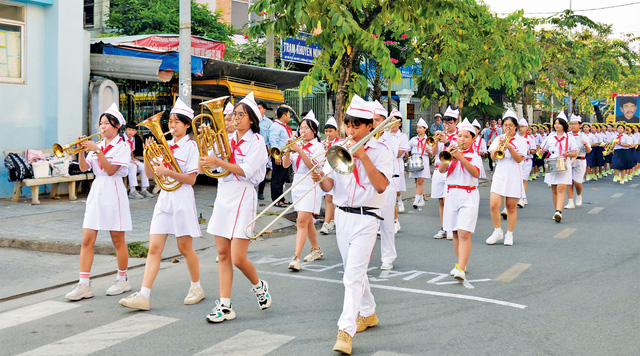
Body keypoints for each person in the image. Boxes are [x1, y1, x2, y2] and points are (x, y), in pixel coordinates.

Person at [311, 94, 393, 355]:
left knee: (352, 276)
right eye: (348, 125)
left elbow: (381, 186)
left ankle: (346, 330)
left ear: (370, 126)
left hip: (367, 217)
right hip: (342, 216)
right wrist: (319, 176)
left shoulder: (382, 151)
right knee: (353, 271)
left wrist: (362, 157)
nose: (350, 130)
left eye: (356, 125)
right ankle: (368, 312)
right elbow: (330, 185)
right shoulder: (338, 148)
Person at [119, 98, 204, 311]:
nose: (172, 126)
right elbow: (149, 174)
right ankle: (144, 295)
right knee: (154, 248)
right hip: (165, 198)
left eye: (177, 122)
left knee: (185, 247)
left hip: (183, 198)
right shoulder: (165, 145)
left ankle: (197, 287)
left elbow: (192, 179)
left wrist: (168, 172)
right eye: (171, 121)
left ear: (186, 125)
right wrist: (148, 155)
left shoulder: (191, 146)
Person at [200, 92, 271, 323]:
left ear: (251, 119)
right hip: (224, 195)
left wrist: (218, 161)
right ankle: (225, 305)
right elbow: (205, 169)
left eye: (241, 115)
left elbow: (246, 171)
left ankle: (259, 286)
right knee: (222, 254)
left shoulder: (257, 142)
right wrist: (205, 144)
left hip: (243, 195)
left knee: (238, 258)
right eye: (234, 115)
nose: (235, 119)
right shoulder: (226, 138)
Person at [65, 103, 132, 301]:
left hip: (114, 192)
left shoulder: (123, 146)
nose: (102, 127)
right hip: (97, 191)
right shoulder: (98, 144)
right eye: (101, 123)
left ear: (116, 126)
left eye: (106, 124)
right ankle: (84, 284)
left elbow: (111, 171)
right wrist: (80, 151)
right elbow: (85, 168)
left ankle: (122, 279)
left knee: (117, 239)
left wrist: (98, 151)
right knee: (87, 239)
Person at [438, 119, 481, 281]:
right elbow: (442, 170)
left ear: (472, 139)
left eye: (466, 137)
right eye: (459, 136)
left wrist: (461, 158)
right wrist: (447, 156)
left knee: (464, 232)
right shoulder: (450, 152)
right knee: (455, 231)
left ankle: (461, 268)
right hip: (451, 194)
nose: (462, 139)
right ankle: (460, 263)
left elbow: (475, 173)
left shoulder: (474, 156)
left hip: (468, 194)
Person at [284, 111, 325, 271]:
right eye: (301, 128)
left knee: (301, 220)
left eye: (306, 128)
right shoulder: (298, 145)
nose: (302, 131)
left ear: (314, 130)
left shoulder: (318, 146)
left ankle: (296, 258)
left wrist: (299, 150)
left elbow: (313, 167)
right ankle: (316, 249)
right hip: (297, 184)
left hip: (311, 183)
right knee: (306, 221)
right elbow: (287, 165)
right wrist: (288, 149)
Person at [485, 110, 526, 246]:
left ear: (515, 127)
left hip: (513, 174)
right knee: (493, 205)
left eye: (510, 125)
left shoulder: (521, 141)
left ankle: (509, 234)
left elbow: (519, 159)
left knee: (510, 207)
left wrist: (510, 147)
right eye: (505, 125)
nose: (507, 128)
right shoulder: (498, 138)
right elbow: (492, 157)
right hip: (500, 174)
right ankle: (497, 231)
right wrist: (499, 146)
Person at [371, 101, 398, 270]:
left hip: (388, 182)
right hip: (369, 184)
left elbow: (393, 155)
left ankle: (388, 257)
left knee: (386, 223)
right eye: (371, 120)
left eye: (377, 120)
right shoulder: (365, 139)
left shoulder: (391, 139)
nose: (374, 123)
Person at [537, 112, 578, 223]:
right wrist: (540, 151)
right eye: (555, 123)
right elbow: (542, 149)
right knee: (554, 188)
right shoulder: (550, 137)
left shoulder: (569, 137)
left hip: (564, 163)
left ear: (563, 125)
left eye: (559, 123)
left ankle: (559, 211)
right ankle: (556, 211)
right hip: (552, 162)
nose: (557, 125)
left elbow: (575, 152)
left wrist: (567, 154)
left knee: (561, 188)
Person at [431, 106, 459, 239]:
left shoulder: (459, 135)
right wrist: (436, 141)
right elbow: (434, 153)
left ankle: (451, 228)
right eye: (445, 122)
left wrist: (446, 142)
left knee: (449, 200)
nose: (447, 125)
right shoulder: (441, 134)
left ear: (456, 122)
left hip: (450, 170)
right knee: (441, 200)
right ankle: (443, 228)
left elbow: (456, 152)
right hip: (438, 169)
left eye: (450, 122)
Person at [268, 106, 293, 207]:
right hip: (279, 156)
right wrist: (277, 156)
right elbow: (273, 142)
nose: (289, 117)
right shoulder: (275, 126)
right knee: (277, 179)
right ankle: (276, 200)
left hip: (285, 156)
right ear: (283, 116)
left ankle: (281, 198)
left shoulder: (283, 126)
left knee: (282, 179)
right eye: (288, 115)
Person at [565, 114, 591, 209]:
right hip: (569, 160)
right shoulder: (567, 136)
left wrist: (586, 145)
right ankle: (570, 201)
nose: (573, 125)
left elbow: (588, 151)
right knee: (569, 181)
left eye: (575, 124)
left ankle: (579, 195)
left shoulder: (584, 136)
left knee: (577, 182)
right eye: (571, 124)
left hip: (580, 160)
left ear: (580, 125)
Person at [319, 116, 340, 235]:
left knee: (333, 198)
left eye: (330, 131)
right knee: (328, 197)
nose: (328, 133)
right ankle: (329, 222)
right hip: (326, 171)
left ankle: (329, 222)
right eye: (326, 131)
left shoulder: (340, 143)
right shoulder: (322, 143)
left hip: (337, 172)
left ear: (336, 131)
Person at [122, 122, 153, 199]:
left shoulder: (136, 138)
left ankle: (144, 189)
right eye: (129, 129)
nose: (130, 132)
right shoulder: (120, 138)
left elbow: (132, 150)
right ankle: (133, 191)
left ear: (135, 131)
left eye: (133, 130)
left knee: (144, 166)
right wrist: (130, 160)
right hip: (122, 160)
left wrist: (133, 158)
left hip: (130, 159)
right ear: (125, 130)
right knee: (133, 166)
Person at [407, 118, 432, 209]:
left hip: (424, 160)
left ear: (425, 129)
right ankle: (421, 200)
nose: (418, 129)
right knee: (416, 181)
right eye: (417, 128)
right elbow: (406, 148)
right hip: (414, 160)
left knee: (420, 181)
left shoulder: (429, 140)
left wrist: (428, 151)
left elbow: (432, 154)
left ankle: (416, 201)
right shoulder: (413, 139)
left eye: (420, 128)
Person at [389, 110, 409, 215]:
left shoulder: (402, 136)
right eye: (390, 122)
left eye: (394, 122)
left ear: (400, 123)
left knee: (396, 187)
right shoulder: (385, 135)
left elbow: (398, 154)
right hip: (386, 163)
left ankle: (399, 199)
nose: (391, 124)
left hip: (396, 163)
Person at [516, 118, 535, 208]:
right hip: (517, 161)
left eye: (523, 126)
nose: (521, 128)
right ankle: (521, 196)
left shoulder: (530, 138)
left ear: (526, 127)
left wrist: (528, 152)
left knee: (523, 179)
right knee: (517, 180)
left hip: (527, 161)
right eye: (519, 126)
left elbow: (534, 150)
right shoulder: (515, 137)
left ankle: (522, 198)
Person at [256, 101, 273, 200]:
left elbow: (270, 137)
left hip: (264, 148)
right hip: (252, 146)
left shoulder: (269, 123)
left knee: (262, 169)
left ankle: (260, 191)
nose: (258, 109)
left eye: (260, 108)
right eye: (257, 107)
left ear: (264, 110)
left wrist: (269, 148)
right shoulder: (252, 119)